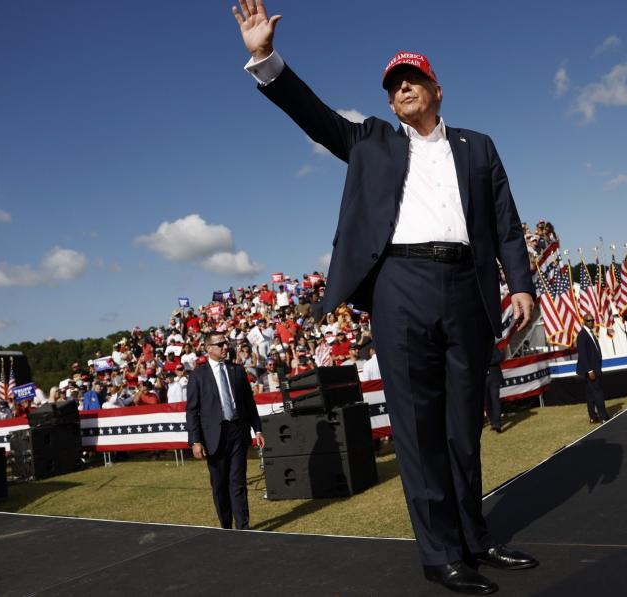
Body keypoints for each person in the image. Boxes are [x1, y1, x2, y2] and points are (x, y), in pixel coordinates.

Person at [232, 2, 537, 592]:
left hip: (467, 288)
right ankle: (440, 553)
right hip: (400, 285)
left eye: (412, 79)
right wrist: (264, 57)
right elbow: (315, 116)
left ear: (437, 89)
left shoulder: (479, 147)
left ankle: (475, 537)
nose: (402, 88)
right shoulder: (371, 139)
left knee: (462, 427)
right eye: (394, 84)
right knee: (418, 429)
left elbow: (506, 223)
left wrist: (520, 284)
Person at [186, 331, 266, 530]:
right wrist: (195, 441)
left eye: (226, 343)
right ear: (208, 348)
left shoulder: (237, 371)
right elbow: (192, 411)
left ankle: (243, 528)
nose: (225, 347)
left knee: (238, 482)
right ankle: (226, 527)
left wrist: (258, 429)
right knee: (220, 485)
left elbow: (249, 403)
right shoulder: (197, 376)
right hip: (214, 437)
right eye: (220, 344)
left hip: (238, 432)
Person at [576, 314, 609, 424]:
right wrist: (590, 370)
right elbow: (583, 354)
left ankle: (593, 417)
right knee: (598, 392)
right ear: (584, 321)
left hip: (595, 368)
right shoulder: (582, 335)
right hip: (591, 370)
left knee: (590, 394)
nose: (591, 322)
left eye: (592, 320)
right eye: (588, 321)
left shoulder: (590, 333)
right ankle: (604, 417)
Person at [485, 346, 504, 432]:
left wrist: (488, 363)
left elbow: (500, 357)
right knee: (487, 401)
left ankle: (497, 423)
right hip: (483, 380)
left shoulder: (492, 347)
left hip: (494, 377)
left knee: (495, 399)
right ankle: (492, 421)